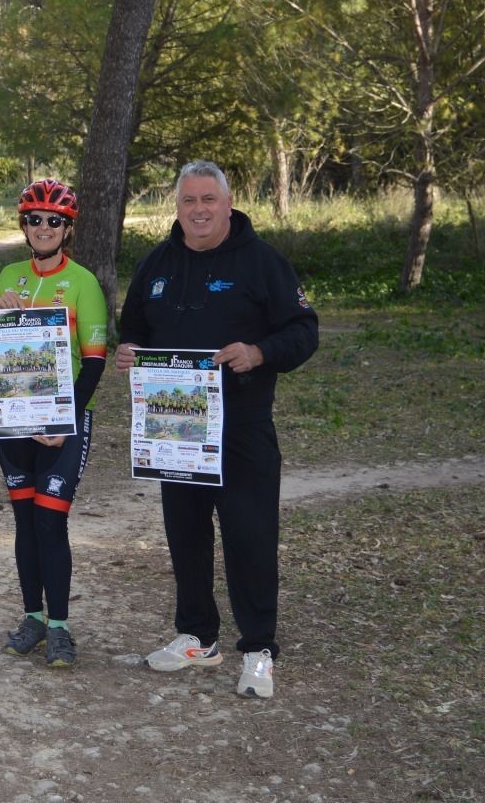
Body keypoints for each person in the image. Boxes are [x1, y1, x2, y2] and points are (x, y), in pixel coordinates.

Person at [115, 160, 318, 699]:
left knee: (250, 537)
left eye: (209, 200)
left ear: (228, 204)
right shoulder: (155, 264)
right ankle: (197, 636)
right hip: (174, 430)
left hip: (243, 429)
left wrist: (260, 352)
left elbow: (303, 330)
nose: (199, 210)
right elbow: (132, 325)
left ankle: (258, 648)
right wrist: (129, 350)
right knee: (186, 536)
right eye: (188, 201)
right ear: (176, 207)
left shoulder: (262, 263)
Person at [0, 180, 108, 669]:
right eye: (34, 220)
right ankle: (32, 617)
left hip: (64, 422)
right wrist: (0, 313)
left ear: (67, 229)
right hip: (13, 420)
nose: (43, 228)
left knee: (50, 521)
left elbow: (95, 362)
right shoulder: (8, 276)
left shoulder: (83, 282)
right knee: (23, 523)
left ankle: (59, 626)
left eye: (53, 221)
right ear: (24, 226)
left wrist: (67, 419)